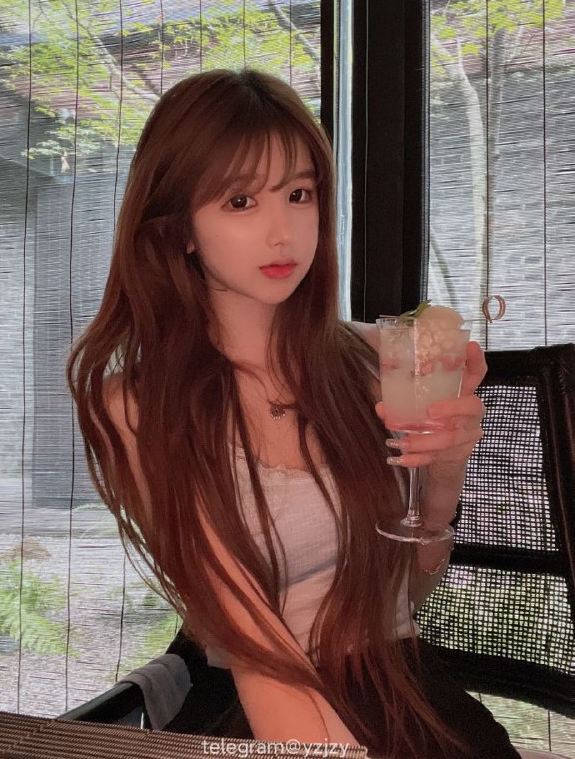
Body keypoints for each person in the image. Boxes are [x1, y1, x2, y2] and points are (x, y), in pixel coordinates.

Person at [67, 69, 520, 759]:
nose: (283, 232)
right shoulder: (138, 406)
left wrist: (444, 473)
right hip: (258, 699)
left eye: (299, 194)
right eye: (241, 201)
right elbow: (249, 639)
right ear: (180, 227)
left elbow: (410, 594)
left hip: (395, 681)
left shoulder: (377, 359)